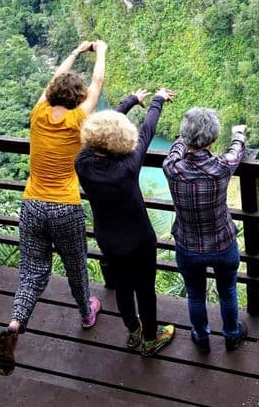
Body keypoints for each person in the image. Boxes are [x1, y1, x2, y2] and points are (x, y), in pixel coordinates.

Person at [0, 40, 107, 376]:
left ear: (52, 94)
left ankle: (15, 325)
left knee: (32, 271)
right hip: (64, 208)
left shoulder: (38, 114)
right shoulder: (78, 121)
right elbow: (97, 84)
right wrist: (100, 51)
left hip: (32, 205)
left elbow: (51, 83)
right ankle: (87, 314)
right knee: (75, 265)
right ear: (78, 99)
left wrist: (74, 52)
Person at [75, 87, 177, 357]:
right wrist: (157, 100)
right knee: (145, 290)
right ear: (121, 139)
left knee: (122, 288)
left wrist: (129, 101)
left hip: (109, 239)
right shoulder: (129, 165)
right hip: (140, 240)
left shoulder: (82, 162)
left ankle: (133, 331)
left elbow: (103, 130)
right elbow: (147, 131)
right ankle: (151, 338)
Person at [163, 108, 248, 354]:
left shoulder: (172, 168)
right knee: (228, 291)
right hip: (222, 243)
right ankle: (231, 334)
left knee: (195, 295)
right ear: (212, 139)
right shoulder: (222, 167)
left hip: (188, 245)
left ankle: (201, 336)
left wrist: (183, 139)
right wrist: (238, 134)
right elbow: (236, 151)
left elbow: (175, 151)